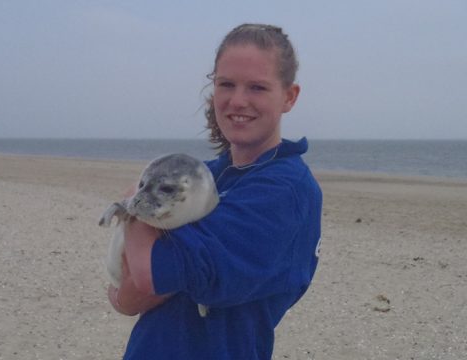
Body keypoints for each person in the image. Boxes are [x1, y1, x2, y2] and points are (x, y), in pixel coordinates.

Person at [108, 23, 323, 359]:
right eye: (226, 84)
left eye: (257, 87)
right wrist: (133, 282)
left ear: (289, 96)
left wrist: (137, 202)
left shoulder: (285, 192)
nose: (238, 100)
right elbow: (130, 292)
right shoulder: (206, 176)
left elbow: (149, 274)